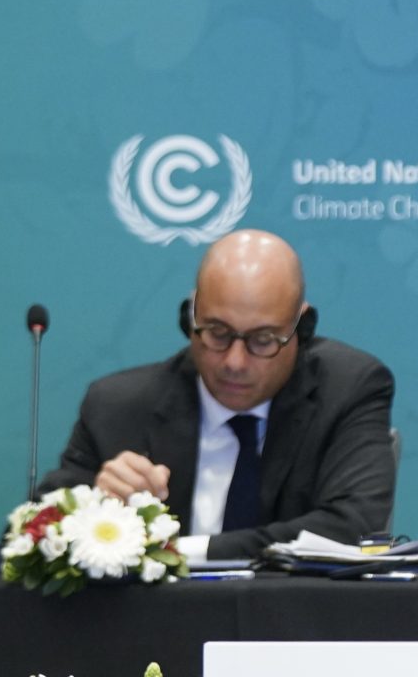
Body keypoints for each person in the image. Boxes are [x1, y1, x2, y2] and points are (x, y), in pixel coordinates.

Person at [39, 229, 396, 560]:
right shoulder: (117, 407)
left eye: (263, 340)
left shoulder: (348, 390)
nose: (234, 362)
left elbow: (354, 526)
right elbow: (33, 537)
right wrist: (94, 509)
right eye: (217, 332)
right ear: (190, 315)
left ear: (302, 327)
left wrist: (179, 551)